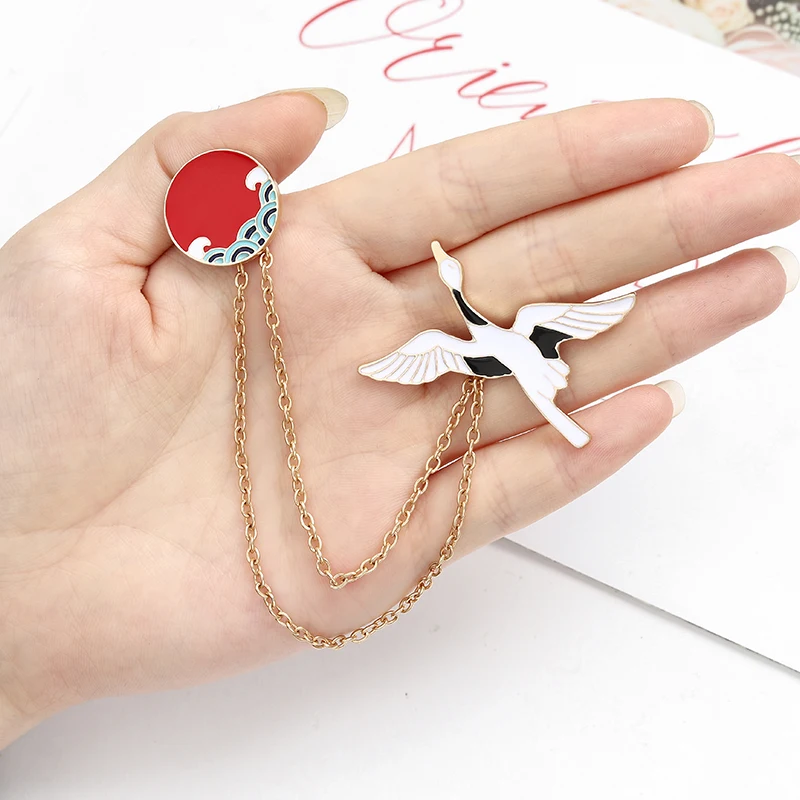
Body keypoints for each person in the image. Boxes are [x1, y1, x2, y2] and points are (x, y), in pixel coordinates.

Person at [1, 89, 797, 748]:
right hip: (501, 357)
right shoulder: (447, 346)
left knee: (517, 374)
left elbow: (568, 318)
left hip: (526, 358)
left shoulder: (499, 334)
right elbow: (449, 336)